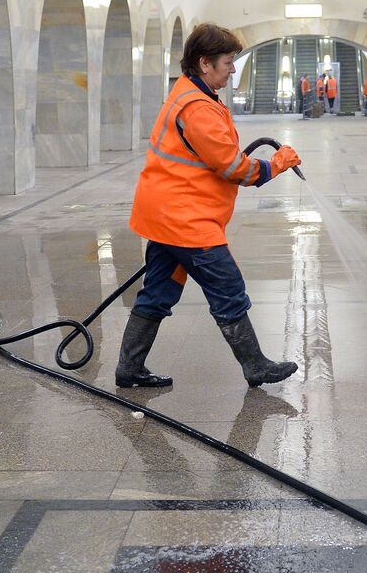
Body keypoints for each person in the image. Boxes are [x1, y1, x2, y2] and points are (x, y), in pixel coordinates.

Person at [116, 23, 303, 390]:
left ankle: (129, 369)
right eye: (228, 63)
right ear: (205, 63)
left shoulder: (188, 93)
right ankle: (255, 365)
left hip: (165, 214)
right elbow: (235, 169)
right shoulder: (198, 108)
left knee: (158, 291)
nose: (232, 70)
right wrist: (278, 163)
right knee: (227, 287)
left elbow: (210, 155)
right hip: (186, 219)